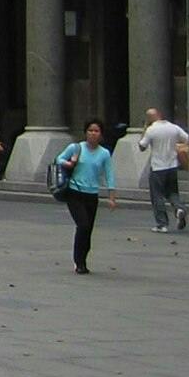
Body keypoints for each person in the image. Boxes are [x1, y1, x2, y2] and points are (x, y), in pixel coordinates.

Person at [55, 118, 117, 275]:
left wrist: (111, 196)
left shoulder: (104, 153)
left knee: (88, 230)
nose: (93, 134)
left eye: (96, 131)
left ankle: (83, 259)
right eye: (90, 130)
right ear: (85, 133)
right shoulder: (76, 148)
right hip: (75, 192)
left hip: (92, 194)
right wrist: (69, 163)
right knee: (82, 225)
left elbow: (109, 174)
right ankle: (78, 261)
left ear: (101, 134)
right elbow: (59, 159)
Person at [138, 107, 189, 232]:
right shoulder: (173, 127)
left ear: (149, 118)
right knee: (172, 192)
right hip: (172, 166)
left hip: (157, 167)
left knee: (157, 195)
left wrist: (144, 130)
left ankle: (162, 224)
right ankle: (179, 208)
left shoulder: (151, 130)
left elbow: (142, 146)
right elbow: (187, 139)